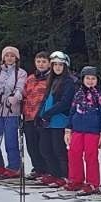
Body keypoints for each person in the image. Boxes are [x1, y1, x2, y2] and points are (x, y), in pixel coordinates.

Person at [65, 66, 101, 193]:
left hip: (93, 131)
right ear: (83, 79)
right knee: (74, 153)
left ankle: (92, 182)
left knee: (90, 156)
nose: (90, 81)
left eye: (93, 78)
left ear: (97, 80)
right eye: (87, 78)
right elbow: (72, 111)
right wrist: (68, 129)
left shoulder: (100, 95)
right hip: (77, 129)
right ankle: (76, 179)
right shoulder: (78, 94)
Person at [0, 46, 27, 177]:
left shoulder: (21, 73)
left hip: (12, 111)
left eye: (12, 56)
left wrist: (16, 97)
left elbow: (21, 88)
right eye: (7, 55)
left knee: (10, 139)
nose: (9, 58)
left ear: (16, 58)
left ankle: (14, 166)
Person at [36, 51, 76, 186]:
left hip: (59, 120)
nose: (58, 67)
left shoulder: (69, 81)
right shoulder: (51, 80)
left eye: (60, 65)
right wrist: (39, 114)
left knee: (59, 149)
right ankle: (54, 173)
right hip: (48, 121)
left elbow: (64, 103)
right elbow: (46, 99)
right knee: (45, 148)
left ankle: (64, 175)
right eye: (55, 65)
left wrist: (48, 113)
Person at [21, 52, 52, 179]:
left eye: (44, 62)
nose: (41, 64)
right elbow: (24, 94)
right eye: (38, 61)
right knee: (31, 145)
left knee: (44, 145)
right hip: (29, 115)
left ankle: (48, 169)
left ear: (49, 64)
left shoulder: (51, 79)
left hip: (42, 116)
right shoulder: (30, 78)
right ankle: (38, 168)